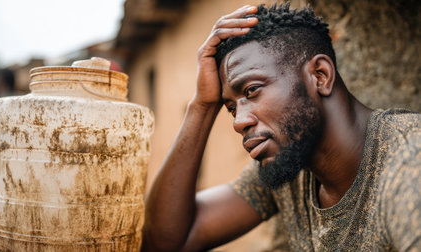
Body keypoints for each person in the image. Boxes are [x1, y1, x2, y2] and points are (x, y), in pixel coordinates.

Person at [142, 3, 420, 252]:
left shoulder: (408, 164)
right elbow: (167, 242)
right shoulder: (293, 165)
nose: (239, 122)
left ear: (320, 76)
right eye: (230, 108)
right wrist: (202, 106)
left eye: (252, 90)